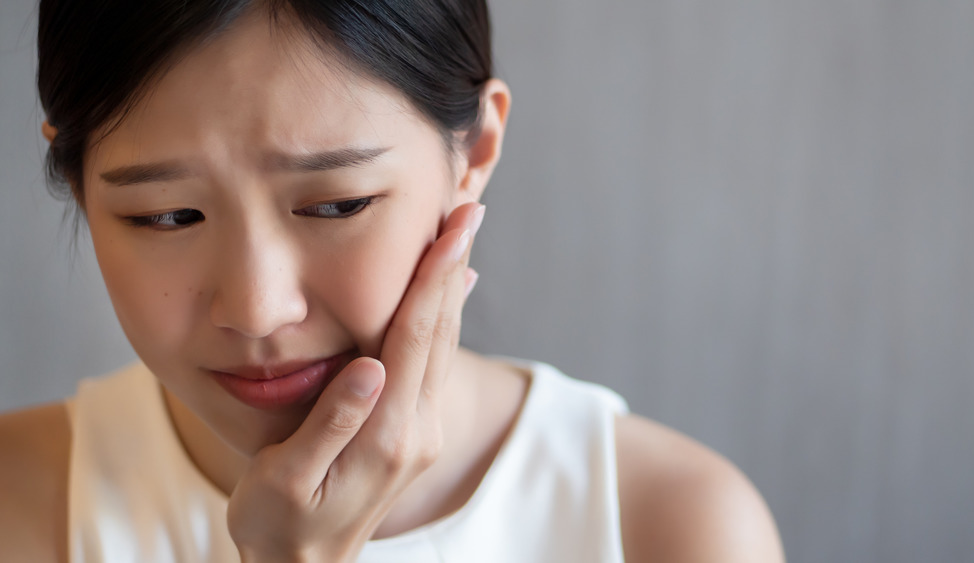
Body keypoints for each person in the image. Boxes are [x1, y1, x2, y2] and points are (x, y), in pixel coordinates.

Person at [0, 1, 784, 561]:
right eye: (167, 215)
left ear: (474, 150)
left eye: (337, 203)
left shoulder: (668, 524)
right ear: (77, 182)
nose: (257, 308)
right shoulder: (22, 504)